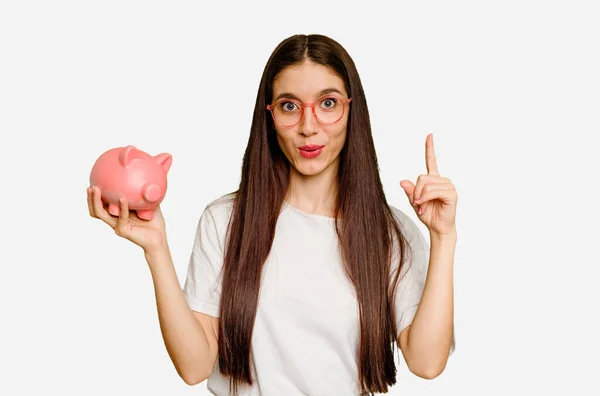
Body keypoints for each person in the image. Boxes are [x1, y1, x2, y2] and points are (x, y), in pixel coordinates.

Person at [87, 33, 457, 396]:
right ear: (270, 115)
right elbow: (194, 366)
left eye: (327, 104)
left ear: (350, 109)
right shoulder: (227, 220)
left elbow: (426, 363)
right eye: (289, 106)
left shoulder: (389, 233)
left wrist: (443, 238)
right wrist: (156, 249)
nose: (308, 126)